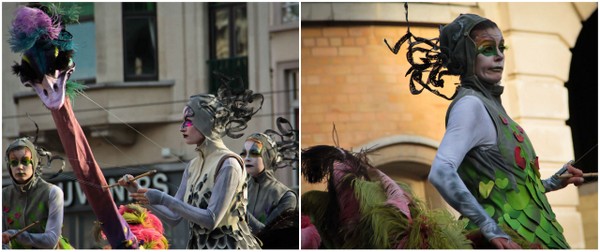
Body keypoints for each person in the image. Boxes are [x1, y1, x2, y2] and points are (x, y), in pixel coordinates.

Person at [422, 14, 584, 249]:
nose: (499, 55)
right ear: (466, 56)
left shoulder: (492, 105)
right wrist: (489, 228)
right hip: (510, 241)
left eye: (501, 47)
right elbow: (441, 172)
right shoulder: (471, 105)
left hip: (535, 235)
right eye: (487, 49)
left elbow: (508, 192)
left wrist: (552, 183)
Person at [118, 82, 262, 249]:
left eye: (188, 122)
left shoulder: (229, 164)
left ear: (205, 122)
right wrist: (138, 192)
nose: (181, 128)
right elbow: (173, 217)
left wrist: (164, 198)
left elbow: (211, 219)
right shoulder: (192, 166)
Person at [2, 138, 72, 249]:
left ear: (34, 162)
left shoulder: (52, 193)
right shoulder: (3, 196)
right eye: (14, 162)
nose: (19, 167)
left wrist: (15, 234)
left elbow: (51, 240)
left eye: (25, 161)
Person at [241, 117, 299, 248]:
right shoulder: (240, 189)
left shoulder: (285, 196)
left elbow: (268, 236)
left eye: (255, 153)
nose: (247, 158)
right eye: (244, 153)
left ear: (268, 157)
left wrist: (240, 208)